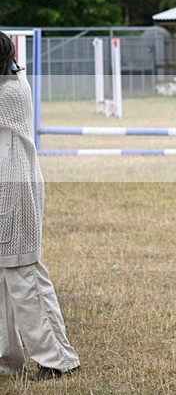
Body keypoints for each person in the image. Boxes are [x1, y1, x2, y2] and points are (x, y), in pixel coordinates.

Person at [0, 31, 81, 381]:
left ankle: (58, 359)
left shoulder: (10, 91)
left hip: (15, 192)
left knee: (24, 274)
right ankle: (6, 359)